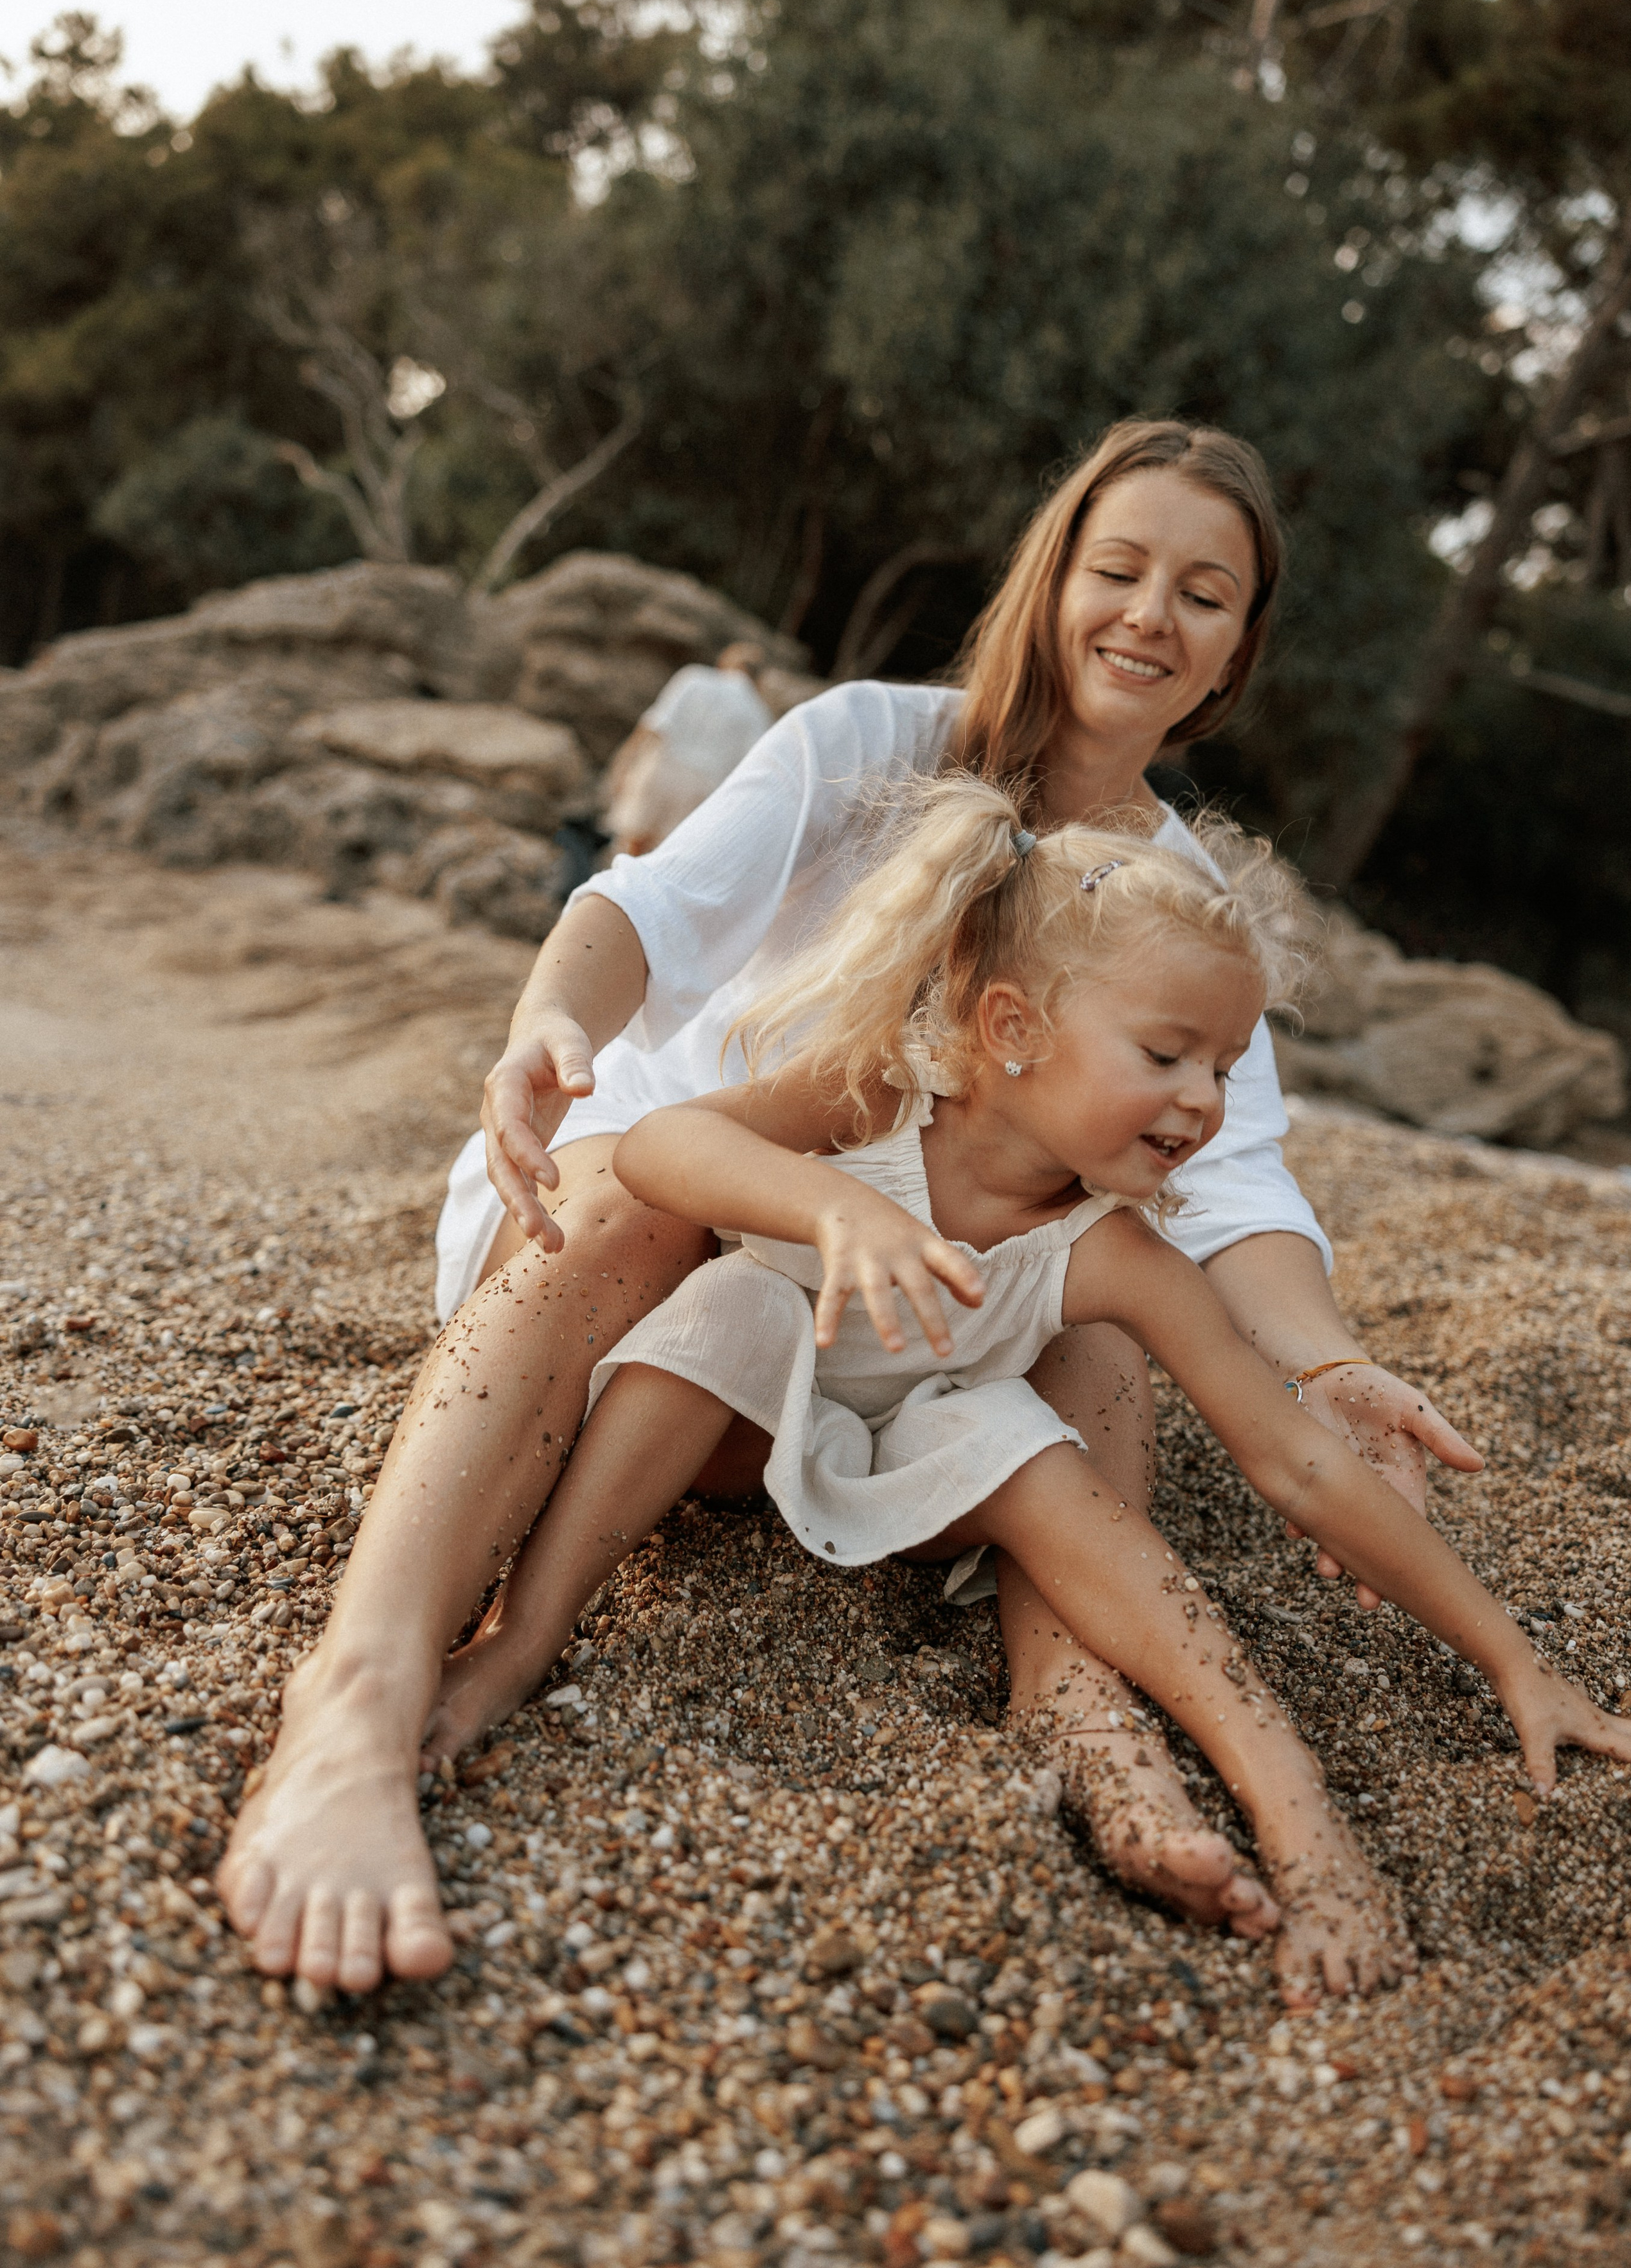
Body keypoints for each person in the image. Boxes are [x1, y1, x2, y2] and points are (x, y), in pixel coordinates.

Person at [218, 418, 1486, 1996]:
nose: (1151, 615)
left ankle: (1073, 1689)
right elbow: (642, 913)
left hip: (889, 1360)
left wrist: (1318, 1364)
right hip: (648, 1303)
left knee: (1103, 1282)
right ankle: (357, 1693)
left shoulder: (1179, 900)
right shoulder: (868, 744)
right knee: (633, 1183)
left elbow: (1236, 1180)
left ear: (1235, 650)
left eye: (1204, 593)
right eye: (1117, 568)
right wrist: (550, 1023)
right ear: (1047, 582)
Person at [413, 780, 1631, 2001]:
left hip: (916, 1478)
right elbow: (657, 1148)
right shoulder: (875, 1098)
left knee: (1017, 1434)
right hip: (724, 1430)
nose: (1205, 1101)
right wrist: (833, 1206)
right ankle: (521, 1639)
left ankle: (1302, 1819)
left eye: (1221, 1065)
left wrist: (1510, 1656)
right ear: (1012, 1026)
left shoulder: (1115, 1252)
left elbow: (1300, 1462)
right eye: (1166, 1054)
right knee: (736, 1303)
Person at [601, 641, 776, 856]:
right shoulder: (758, 713)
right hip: (703, 789)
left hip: (663, 767)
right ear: (759, 679)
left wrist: (625, 759)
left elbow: (656, 724)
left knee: (631, 845)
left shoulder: (695, 678)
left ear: (725, 661)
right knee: (664, 855)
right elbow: (749, 766)